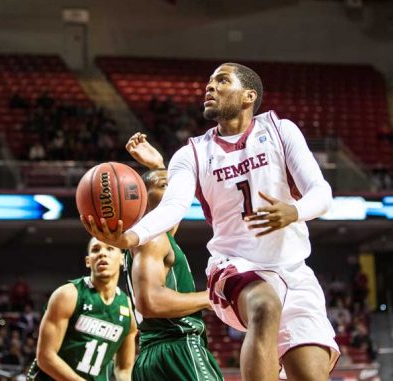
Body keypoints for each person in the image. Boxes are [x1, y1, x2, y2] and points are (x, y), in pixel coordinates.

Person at [83, 62, 339, 380]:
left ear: (249, 95)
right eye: (209, 81)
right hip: (235, 268)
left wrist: (294, 212)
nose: (210, 86)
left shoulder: (279, 130)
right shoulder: (192, 154)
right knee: (265, 306)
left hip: (295, 273)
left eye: (221, 80)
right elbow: (173, 206)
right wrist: (131, 237)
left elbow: (322, 193)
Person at [123, 133, 223, 381]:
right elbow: (151, 302)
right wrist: (211, 297)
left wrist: (158, 167)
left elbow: (172, 212)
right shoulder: (153, 239)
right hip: (178, 349)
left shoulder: (157, 236)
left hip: (151, 356)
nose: (174, 190)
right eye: (164, 185)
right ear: (143, 199)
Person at [27, 238, 137, 381]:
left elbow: (123, 369)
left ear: (122, 259)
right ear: (87, 261)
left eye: (110, 249)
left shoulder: (128, 309)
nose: (102, 254)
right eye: (96, 249)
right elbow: (45, 357)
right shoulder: (68, 295)